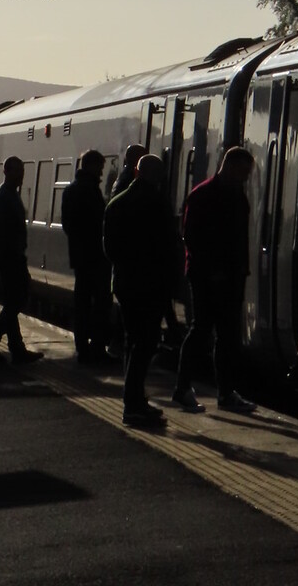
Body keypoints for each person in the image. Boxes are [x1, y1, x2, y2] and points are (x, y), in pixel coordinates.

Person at [173, 145, 255, 412]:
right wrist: (212, 270)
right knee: (201, 330)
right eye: (243, 171)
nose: (245, 177)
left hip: (232, 277)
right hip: (206, 277)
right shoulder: (202, 195)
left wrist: (240, 270)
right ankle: (182, 388)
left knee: (228, 335)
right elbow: (191, 237)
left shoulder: (238, 197)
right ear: (228, 166)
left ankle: (226, 392)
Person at [103, 153, 181, 425]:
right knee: (145, 344)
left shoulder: (116, 203)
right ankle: (133, 404)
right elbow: (168, 249)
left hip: (125, 283)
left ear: (136, 173)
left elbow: (109, 249)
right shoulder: (158, 205)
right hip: (151, 286)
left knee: (132, 341)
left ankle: (134, 400)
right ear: (160, 177)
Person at [0, 156, 42, 363]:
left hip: (9, 254)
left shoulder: (7, 194)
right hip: (9, 255)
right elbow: (3, 231)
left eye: (22, 171)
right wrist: (15, 253)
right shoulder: (5, 197)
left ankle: (16, 347)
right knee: (17, 300)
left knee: (12, 301)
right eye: (17, 171)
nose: (21, 175)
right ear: (6, 171)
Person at [61, 149, 112, 365]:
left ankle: (82, 348)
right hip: (95, 257)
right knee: (100, 305)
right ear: (91, 166)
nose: (101, 172)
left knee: (81, 304)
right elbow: (98, 224)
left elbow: (68, 225)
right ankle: (97, 349)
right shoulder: (90, 191)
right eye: (100, 167)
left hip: (79, 257)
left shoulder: (71, 190)